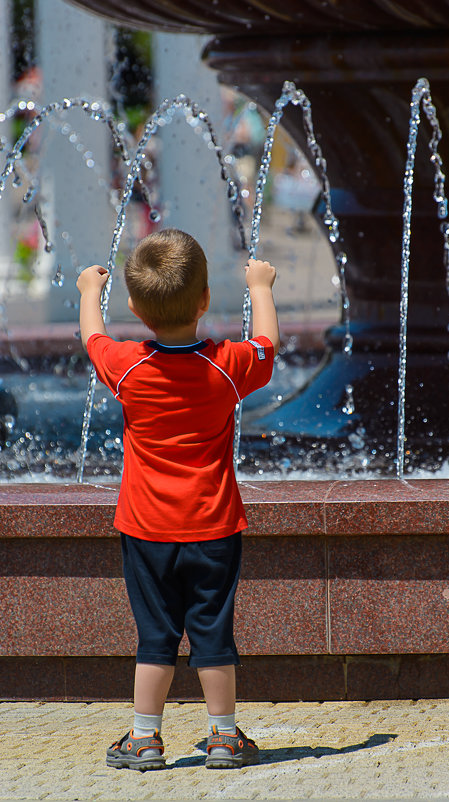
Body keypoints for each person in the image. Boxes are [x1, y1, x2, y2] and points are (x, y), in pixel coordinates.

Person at [76, 228, 279, 771]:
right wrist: (260, 287)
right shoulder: (227, 367)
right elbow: (267, 346)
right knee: (213, 631)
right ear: (206, 300)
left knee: (155, 635)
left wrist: (87, 294)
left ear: (139, 311)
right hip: (214, 525)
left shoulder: (128, 367)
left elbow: (92, 339)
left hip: (146, 527)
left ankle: (144, 738)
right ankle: (224, 737)